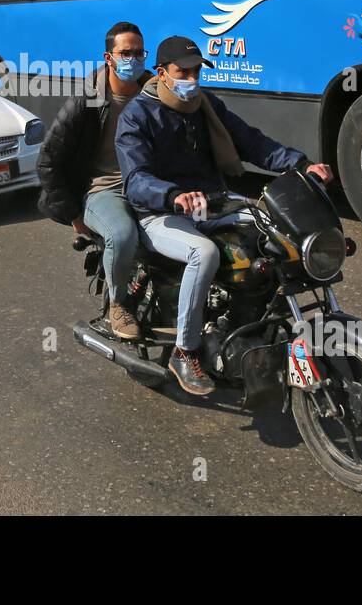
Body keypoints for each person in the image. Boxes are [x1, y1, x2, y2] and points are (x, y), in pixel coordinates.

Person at [116, 35, 334, 395]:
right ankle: (184, 352)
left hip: (214, 202)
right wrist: (172, 195)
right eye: (181, 71)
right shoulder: (137, 115)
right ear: (161, 73)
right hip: (159, 213)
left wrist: (303, 165)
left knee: (276, 238)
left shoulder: (207, 106)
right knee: (205, 253)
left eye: (196, 70)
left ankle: (254, 324)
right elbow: (136, 180)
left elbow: (254, 143)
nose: (190, 78)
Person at [37, 22, 151, 339]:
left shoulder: (157, 93)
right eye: (125, 53)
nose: (133, 59)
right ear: (108, 57)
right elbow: (48, 161)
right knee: (123, 234)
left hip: (150, 187)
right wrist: (73, 215)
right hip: (103, 189)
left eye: (139, 52)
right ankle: (119, 305)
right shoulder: (86, 101)